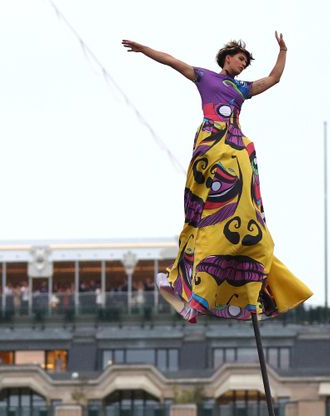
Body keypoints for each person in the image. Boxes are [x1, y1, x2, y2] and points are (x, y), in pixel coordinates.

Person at [123, 35, 311, 322]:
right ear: (228, 57)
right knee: (222, 169)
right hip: (213, 139)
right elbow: (171, 60)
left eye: (246, 63)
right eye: (241, 60)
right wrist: (144, 49)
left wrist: (283, 51)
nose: (243, 66)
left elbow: (273, 78)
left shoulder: (242, 89)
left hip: (234, 142)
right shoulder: (205, 77)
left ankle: (247, 211)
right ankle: (210, 206)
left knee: (245, 168)